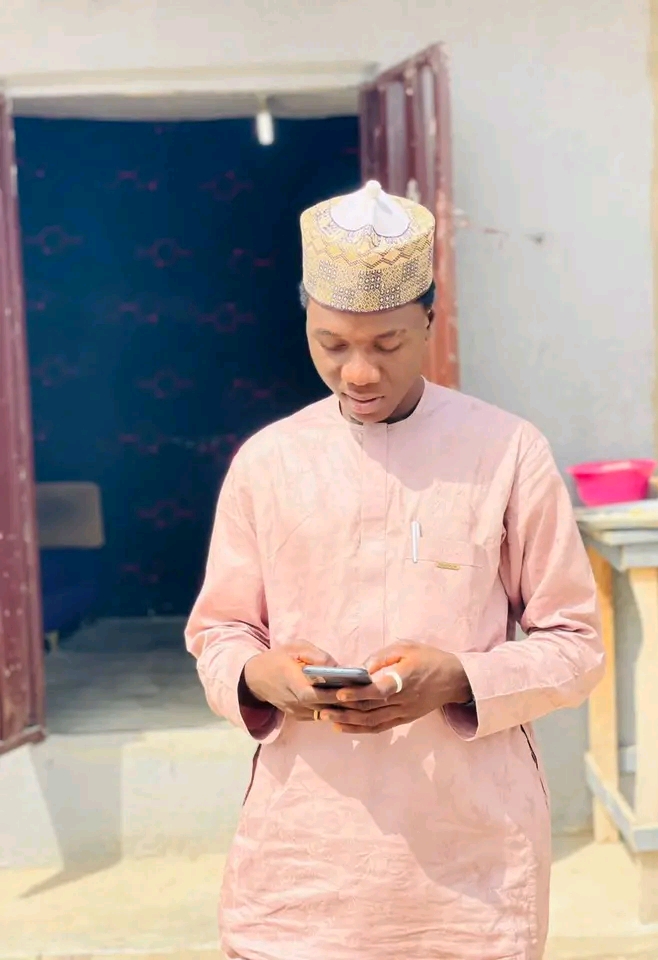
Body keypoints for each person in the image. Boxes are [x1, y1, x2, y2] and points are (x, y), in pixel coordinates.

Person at [186, 180, 604, 960]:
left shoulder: (508, 452)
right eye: (331, 344)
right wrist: (258, 675)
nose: (359, 373)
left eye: (386, 345)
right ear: (306, 323)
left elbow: (576, 644)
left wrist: (459, 679)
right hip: (305, 856)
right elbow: (220, 631)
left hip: (470, 862)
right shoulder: (269, 461)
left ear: (429, 324)